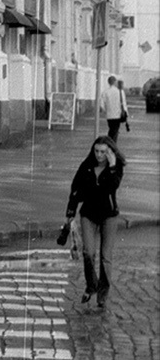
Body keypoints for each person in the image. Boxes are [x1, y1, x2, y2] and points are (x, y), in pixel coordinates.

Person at [64, 135, 125, 308]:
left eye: (103, 152)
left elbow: (113, 186)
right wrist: (70, 212)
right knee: (88, 252)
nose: (99, 155)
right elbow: (75, 189)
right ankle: (92, 285)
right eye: (96, 151)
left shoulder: (116, 167)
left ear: (110, 152)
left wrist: (112, 167)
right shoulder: (87, 166)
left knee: (106, 257)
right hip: (89, 214)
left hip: (109, 215)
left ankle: (102, 295)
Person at [102, 75, 130, 143]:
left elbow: (102, 104)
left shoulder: (105, 92)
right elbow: (123, 103)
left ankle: (111, 142)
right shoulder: (120, 91)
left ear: (108, 82)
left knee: (111, 129)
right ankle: (112, 143)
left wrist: (105, 111)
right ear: (115, 82)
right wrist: (126, 113)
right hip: (118, 115)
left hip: (109, 115)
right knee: (115, 130)